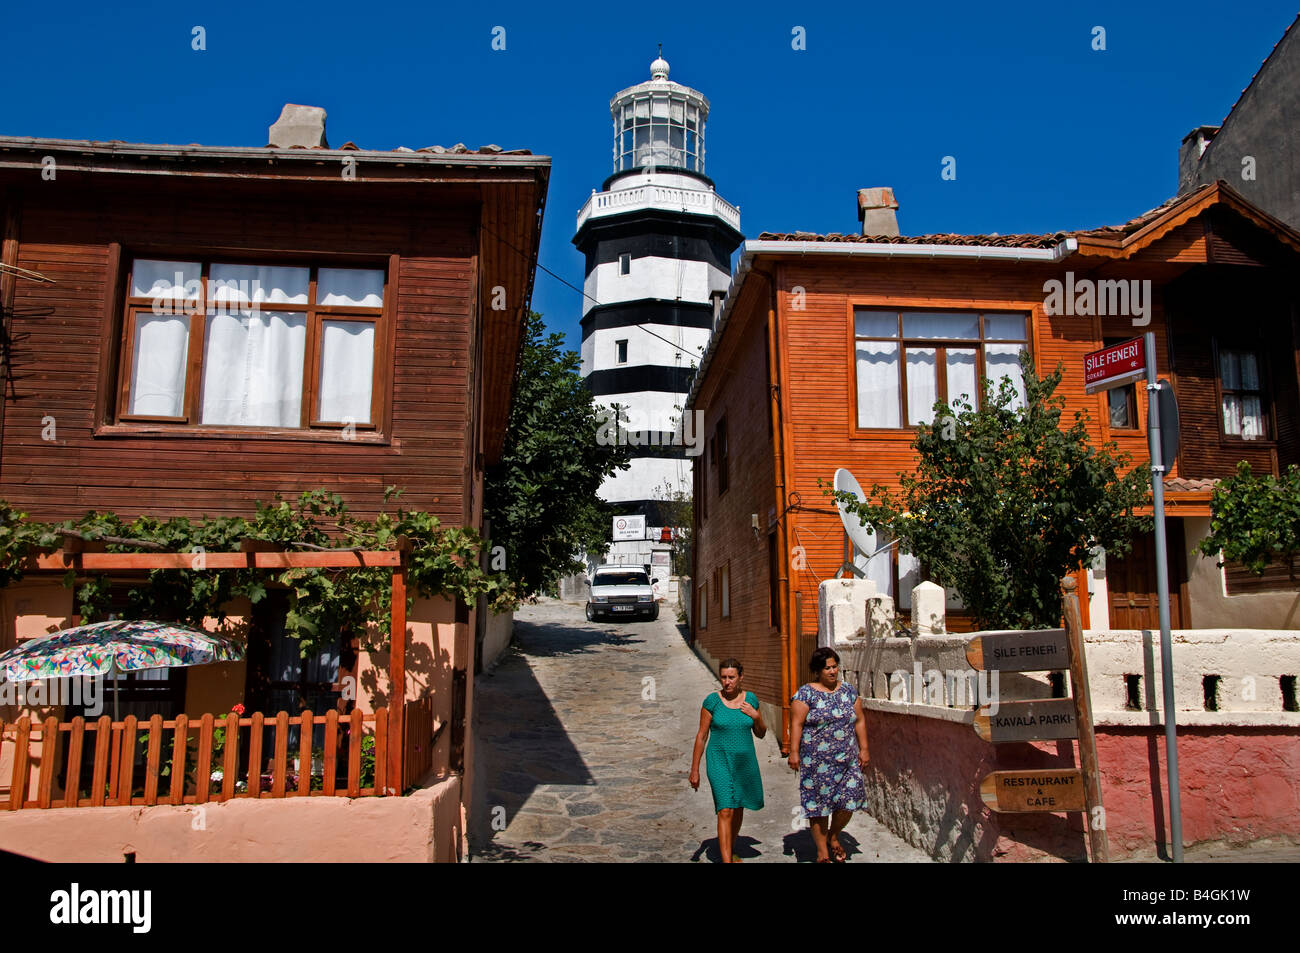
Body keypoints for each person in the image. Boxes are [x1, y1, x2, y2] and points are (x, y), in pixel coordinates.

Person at [788, 646, 868, 862]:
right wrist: (793, 751)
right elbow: (796, 723)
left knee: (849, 801)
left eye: (834, 667)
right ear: (818, 671)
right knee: (819, 806)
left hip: (847, 760)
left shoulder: (849, 691)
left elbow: (859, 720)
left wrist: (864, 749)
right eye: (827, 668)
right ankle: (822, 852)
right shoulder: (805, 693)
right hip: (816, 762)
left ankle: (833, 835)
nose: (832, 671)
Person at [689, 658, 766, 863]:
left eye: (731, 677)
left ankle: (730, 847)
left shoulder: (751, 700)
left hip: (744, 761)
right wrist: (694, 769)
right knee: (725, 808)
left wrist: (756, 716)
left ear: (741, 677)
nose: (727, 682)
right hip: (719, 760)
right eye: (723, 677)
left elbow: (761, 733)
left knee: (738, 805)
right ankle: (726, 860)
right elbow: (701, 736)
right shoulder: (712, 702)